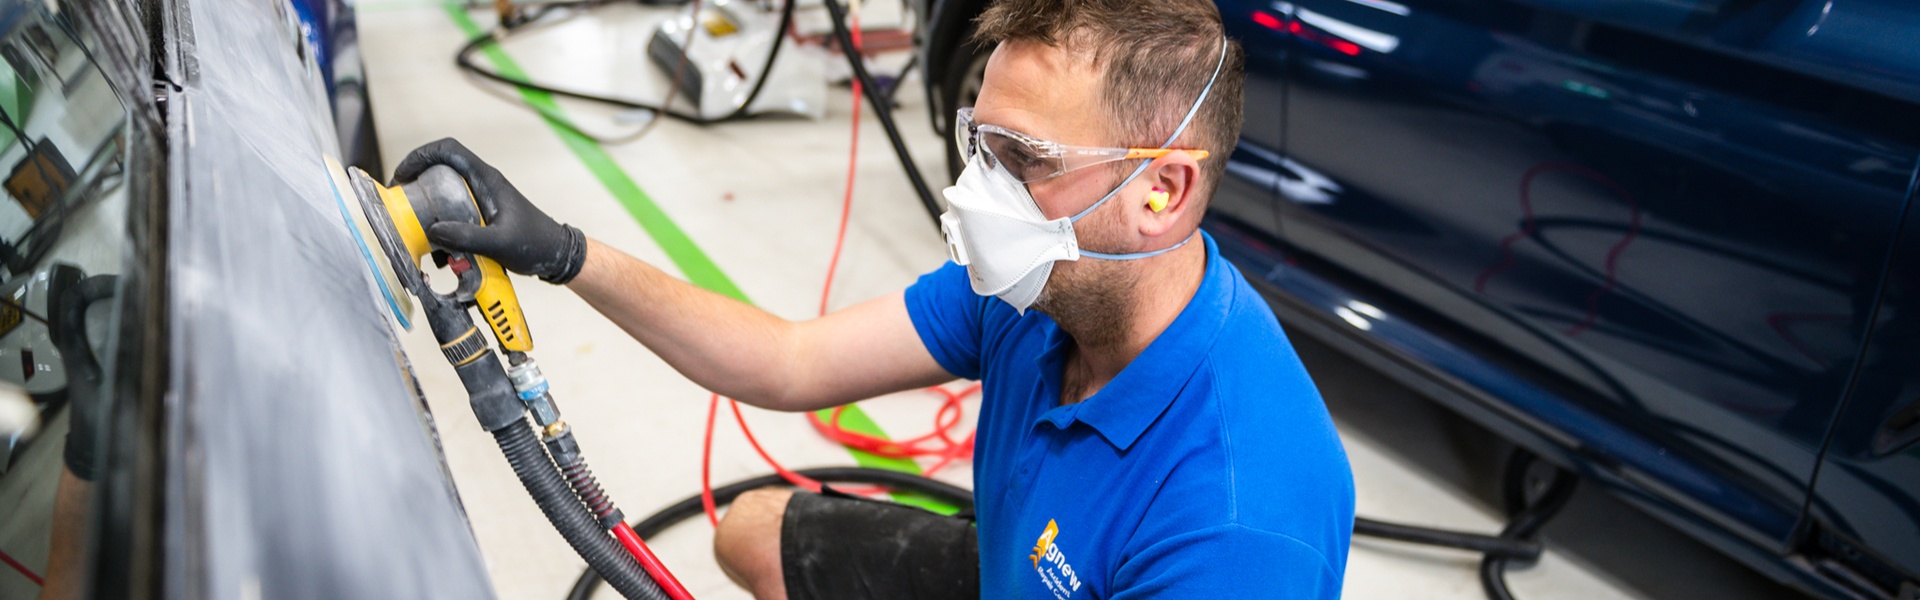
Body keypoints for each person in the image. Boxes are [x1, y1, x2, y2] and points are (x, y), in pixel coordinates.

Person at [392, 0, 1353, 596]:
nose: (979, 190)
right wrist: (564, 252)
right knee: (755, 534)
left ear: (1162, 191)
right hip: (1023, 577)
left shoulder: (1234, 519)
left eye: (1026, 161)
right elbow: (788, 361)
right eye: (983, 142)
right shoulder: (1035, 295)